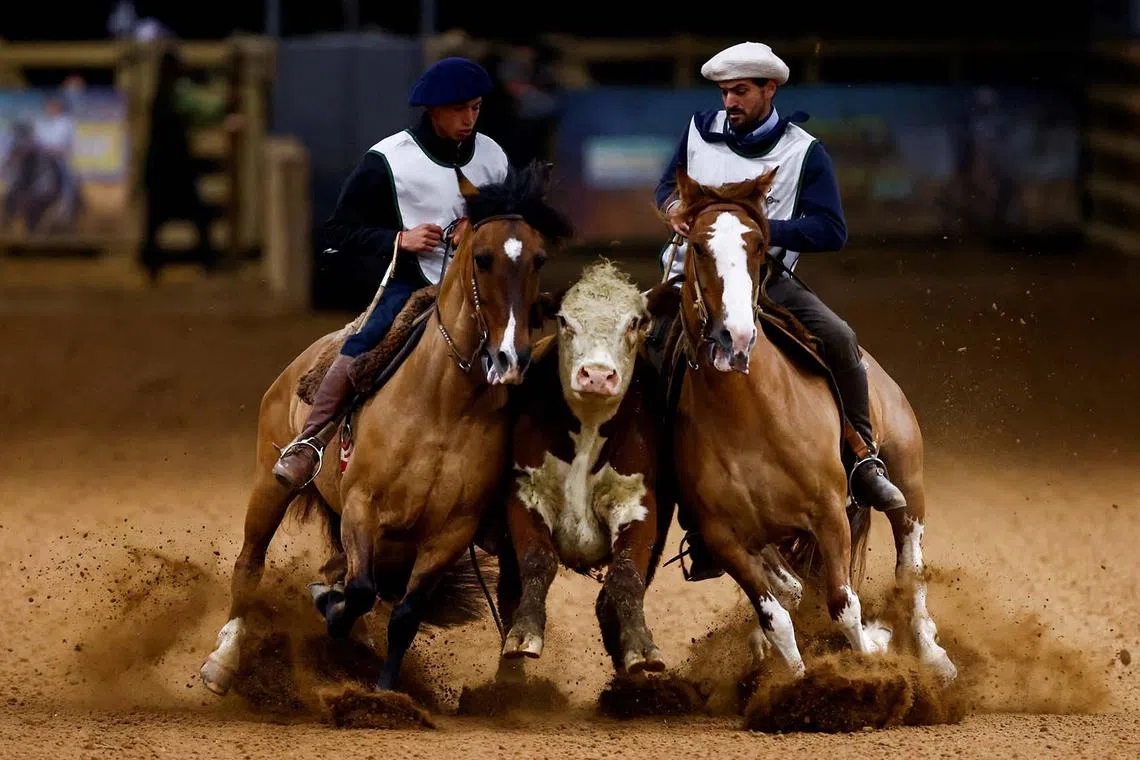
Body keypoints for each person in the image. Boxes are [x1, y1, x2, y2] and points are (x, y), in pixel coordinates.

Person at [654, 41, 907, 582]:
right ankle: (661, 486)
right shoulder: (699, 131)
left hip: (767, 282)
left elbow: (831, 229)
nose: (730, 102)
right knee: (642, 353)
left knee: (839, 338)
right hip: (693, 281)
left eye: (741, 91)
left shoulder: (804, 152)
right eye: (725, 92)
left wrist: (763, 232)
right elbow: (666, 184)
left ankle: (861, 457)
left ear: (770, 90)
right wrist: (675, 208)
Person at [271, 56, 510, 492]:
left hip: (483, 288)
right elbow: (338, 230)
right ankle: (308, 443)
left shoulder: (494, 156)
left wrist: (475, 231)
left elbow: (509, 221)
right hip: (414, 284)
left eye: (476, 108)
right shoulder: (389, 159)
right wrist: (400, 239)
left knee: (523, 343)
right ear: (433, 109)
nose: (469, 119)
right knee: (364, 345)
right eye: (460, 109)